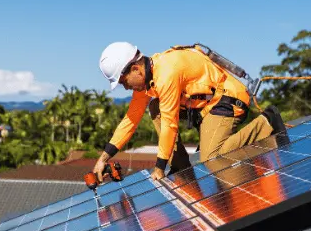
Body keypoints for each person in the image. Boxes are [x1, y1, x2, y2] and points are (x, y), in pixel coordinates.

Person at [93, 42, 288, 182]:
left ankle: (267, 123)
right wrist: (104, 158)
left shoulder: (167, 72)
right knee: (155, 107)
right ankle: (180, 168)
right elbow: (131, 119)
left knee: (212, 157)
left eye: (123, 81)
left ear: (135, 69)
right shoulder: (148, 80)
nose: (125, 88)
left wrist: (159, 167)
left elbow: (170, 122)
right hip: (205, 107)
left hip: (226, 100)